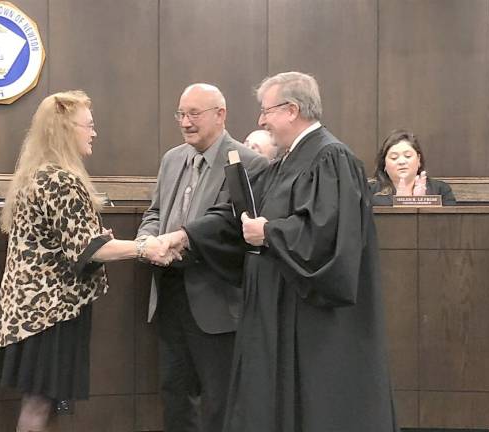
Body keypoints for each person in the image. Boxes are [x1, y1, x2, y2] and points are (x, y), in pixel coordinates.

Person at [165, 72, 399, 431]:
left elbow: (326, 237)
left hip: (313, 323)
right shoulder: (286, 163)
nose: (260, 120)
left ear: (291, 110)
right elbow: (236, 218)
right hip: (277, 312)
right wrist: (185, 237)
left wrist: (270, 232)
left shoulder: (330, 158)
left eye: (266, 111)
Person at [0, 90, 175, 432]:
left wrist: (98, 239)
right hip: (49, 312)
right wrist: (145, 246)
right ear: (64, 129)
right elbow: (89, 249)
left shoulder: (37, 174)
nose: (94, 132)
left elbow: (62, 241)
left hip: (29, 309)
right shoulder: (61, 179)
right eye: (88, 125)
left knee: (44, 400)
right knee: (40, 401)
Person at [136, 83, 267, 432]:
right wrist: (146, 241)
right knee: (175, 392)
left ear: (220, 115)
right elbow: (155, 211)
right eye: (181, 114)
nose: (185, 122)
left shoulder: (249, 163)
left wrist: (182, 239)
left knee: (218, 398)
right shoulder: (172, 158)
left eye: (194, 113)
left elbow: (228, 223)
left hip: (216, 300)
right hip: (169, 292)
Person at [370, 129, 456, 205]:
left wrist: (421, 205)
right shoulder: (369, 192)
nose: (402, 162)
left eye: (407, 156)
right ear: (384, 164)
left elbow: (448, 222)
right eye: (394, 157)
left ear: (418, 160)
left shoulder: (441, 190)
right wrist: (399, 203)